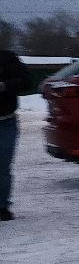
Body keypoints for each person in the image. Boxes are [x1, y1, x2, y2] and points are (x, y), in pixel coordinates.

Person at [0, 47, 24, 221]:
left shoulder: (7, 58)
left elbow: (25, 81)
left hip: (6, 120)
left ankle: (2, 206)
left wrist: (4, 86)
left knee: (2, 166)